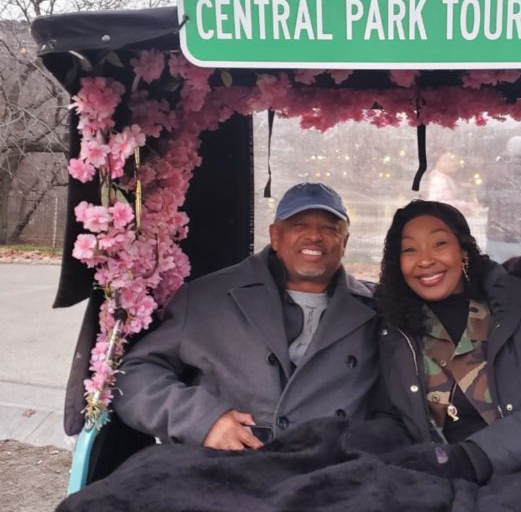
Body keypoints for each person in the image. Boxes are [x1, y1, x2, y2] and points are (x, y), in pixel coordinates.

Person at [114, 182, 379, 449]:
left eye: (329, 228)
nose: (314, 236)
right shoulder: (206, 298)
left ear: (345, 242)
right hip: (228, 464)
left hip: (340, 465)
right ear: (275, 236)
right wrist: (202, 421)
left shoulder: (379, 308)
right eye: (299, 225)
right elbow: (133, 375)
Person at [373, 199, 521, 482]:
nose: (425, 260)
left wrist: (476, 457)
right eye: (410, 250)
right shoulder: (393, 329)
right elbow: (390, 417)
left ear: (463, 251)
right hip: (435, 482)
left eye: (439, 244)